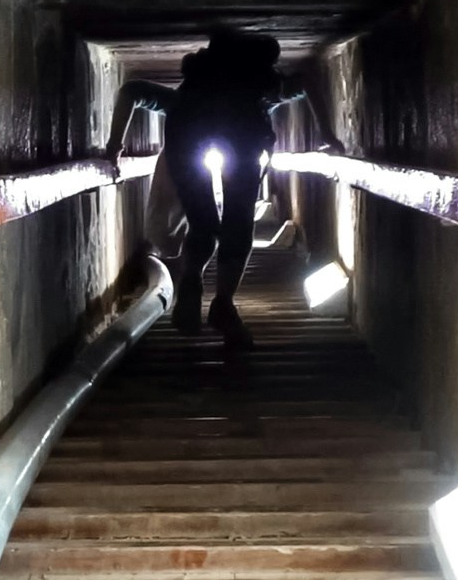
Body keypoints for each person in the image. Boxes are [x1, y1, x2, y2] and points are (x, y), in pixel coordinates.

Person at [109, 28, 332, 346]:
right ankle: (223, 304)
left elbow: (132, 90)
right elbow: (305, 83)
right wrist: (326, 134)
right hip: (242, 141)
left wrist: (114, 145)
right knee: (238, 225)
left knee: (204, 224)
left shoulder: (192, 94)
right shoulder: (260, 88)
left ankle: (190, 280)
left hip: (187, 138)